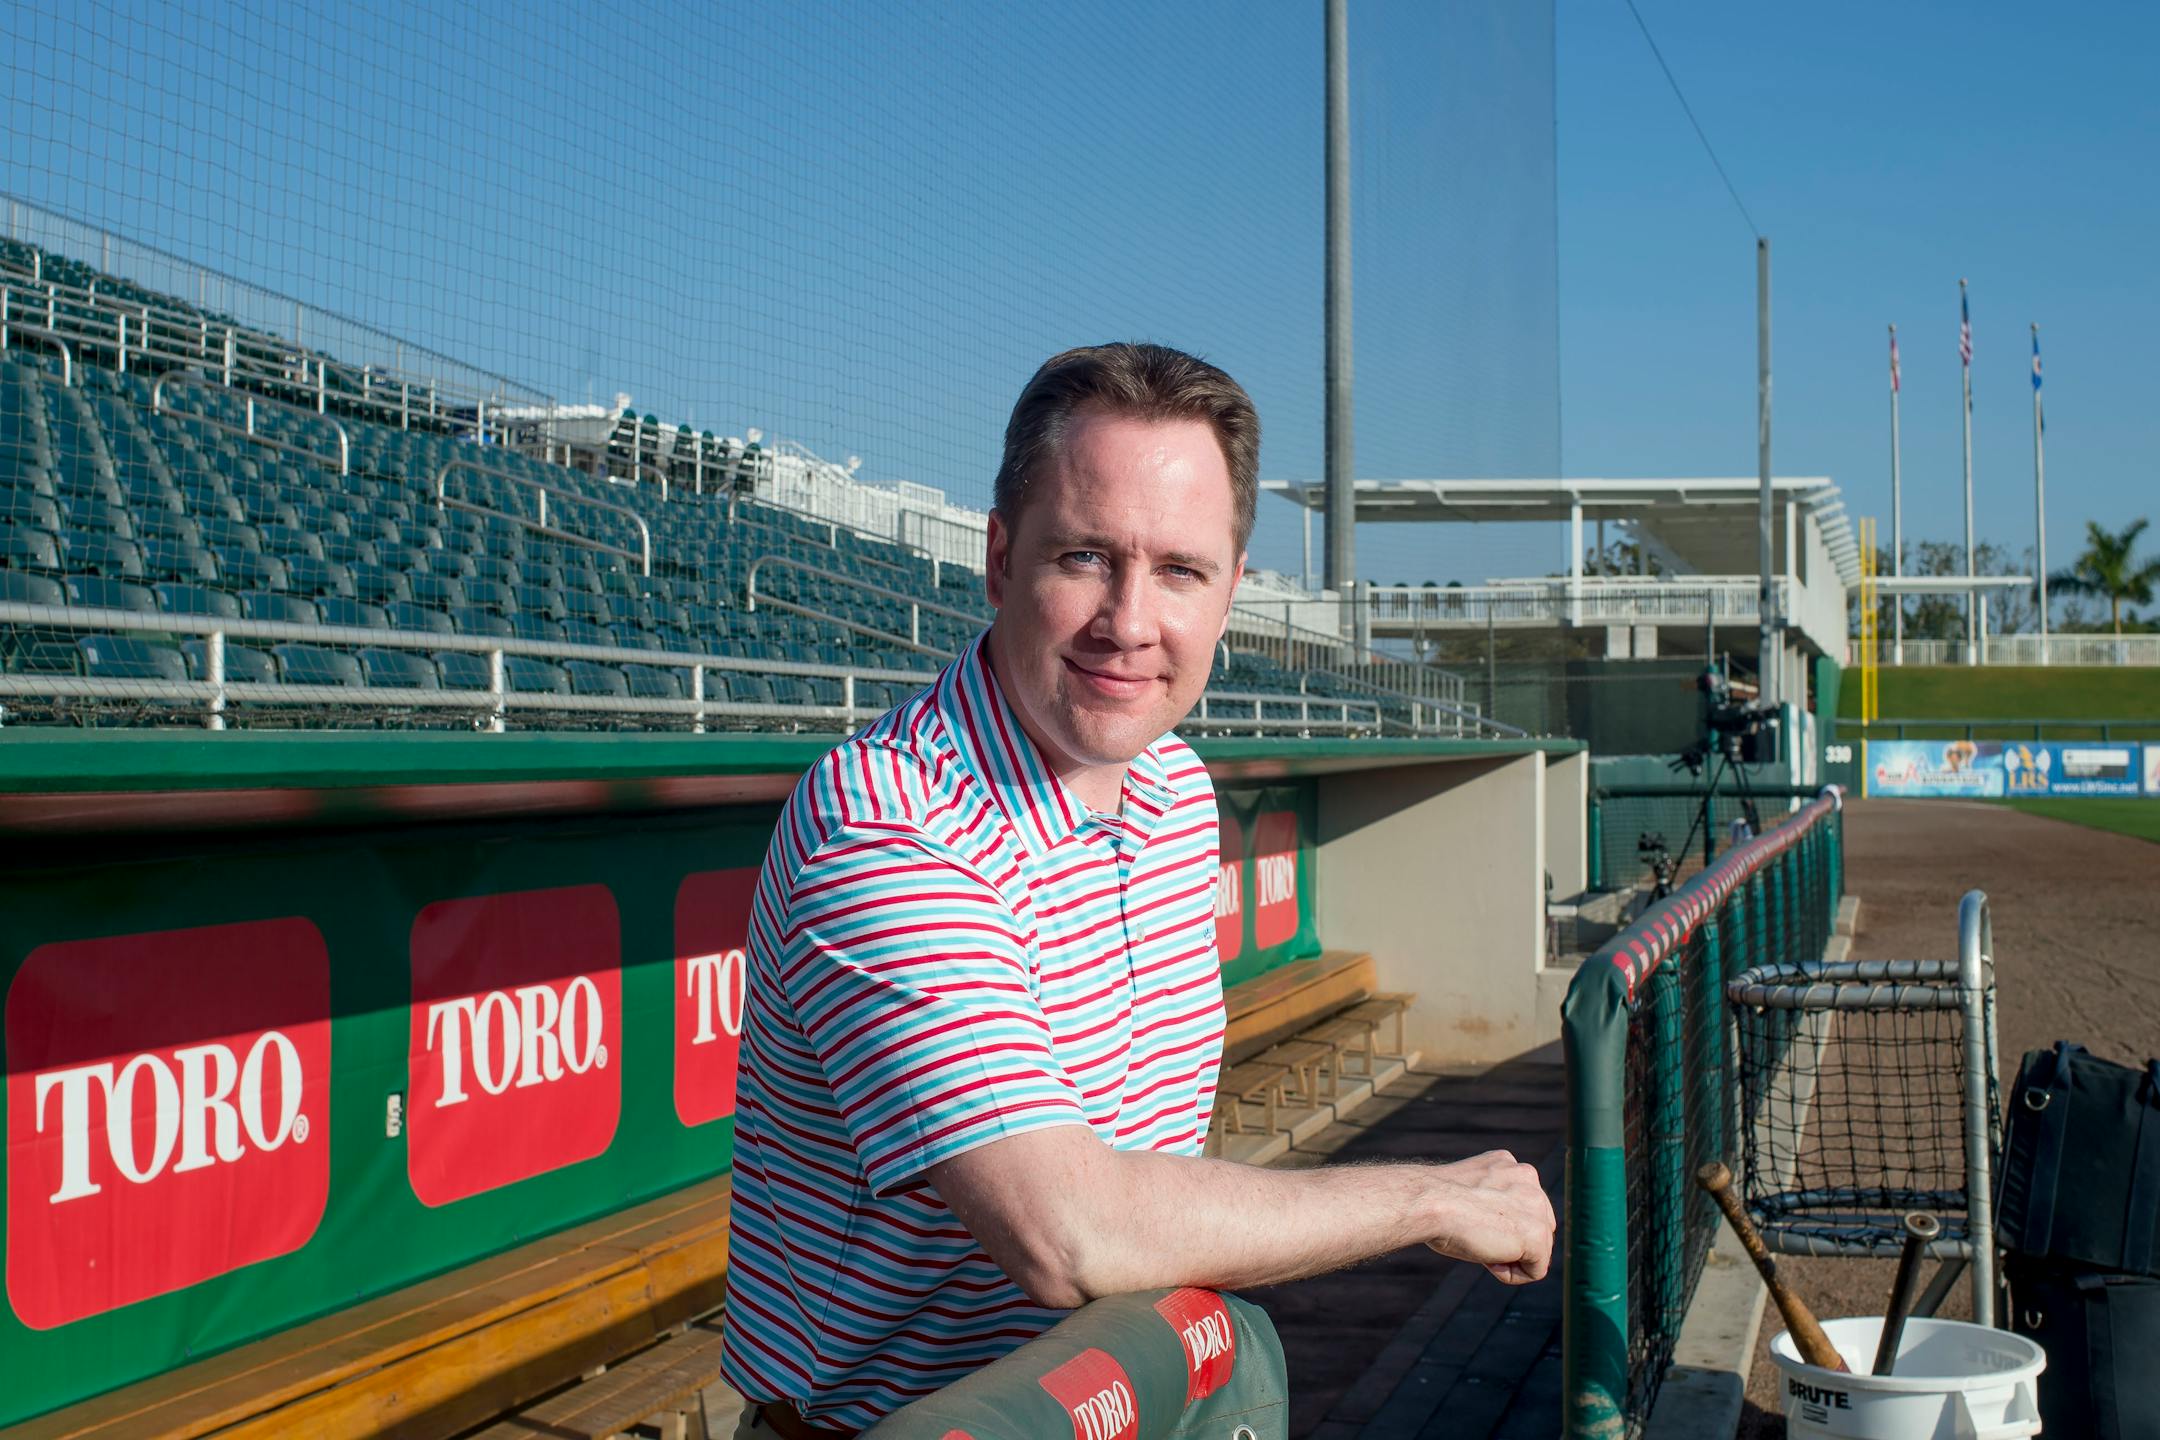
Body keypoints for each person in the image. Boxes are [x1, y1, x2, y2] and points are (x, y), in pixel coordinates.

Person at [719, 343, 1554, 1438]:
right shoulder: (889, 822)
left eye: (1180, 571)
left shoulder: (1173, 788)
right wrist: (1428, 1197)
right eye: (1084, 557)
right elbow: (1071, 1235)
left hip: (1132, 1399)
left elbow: (1149, 1179)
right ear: (1000, 559)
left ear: (1232, 593)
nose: (1128, 620)